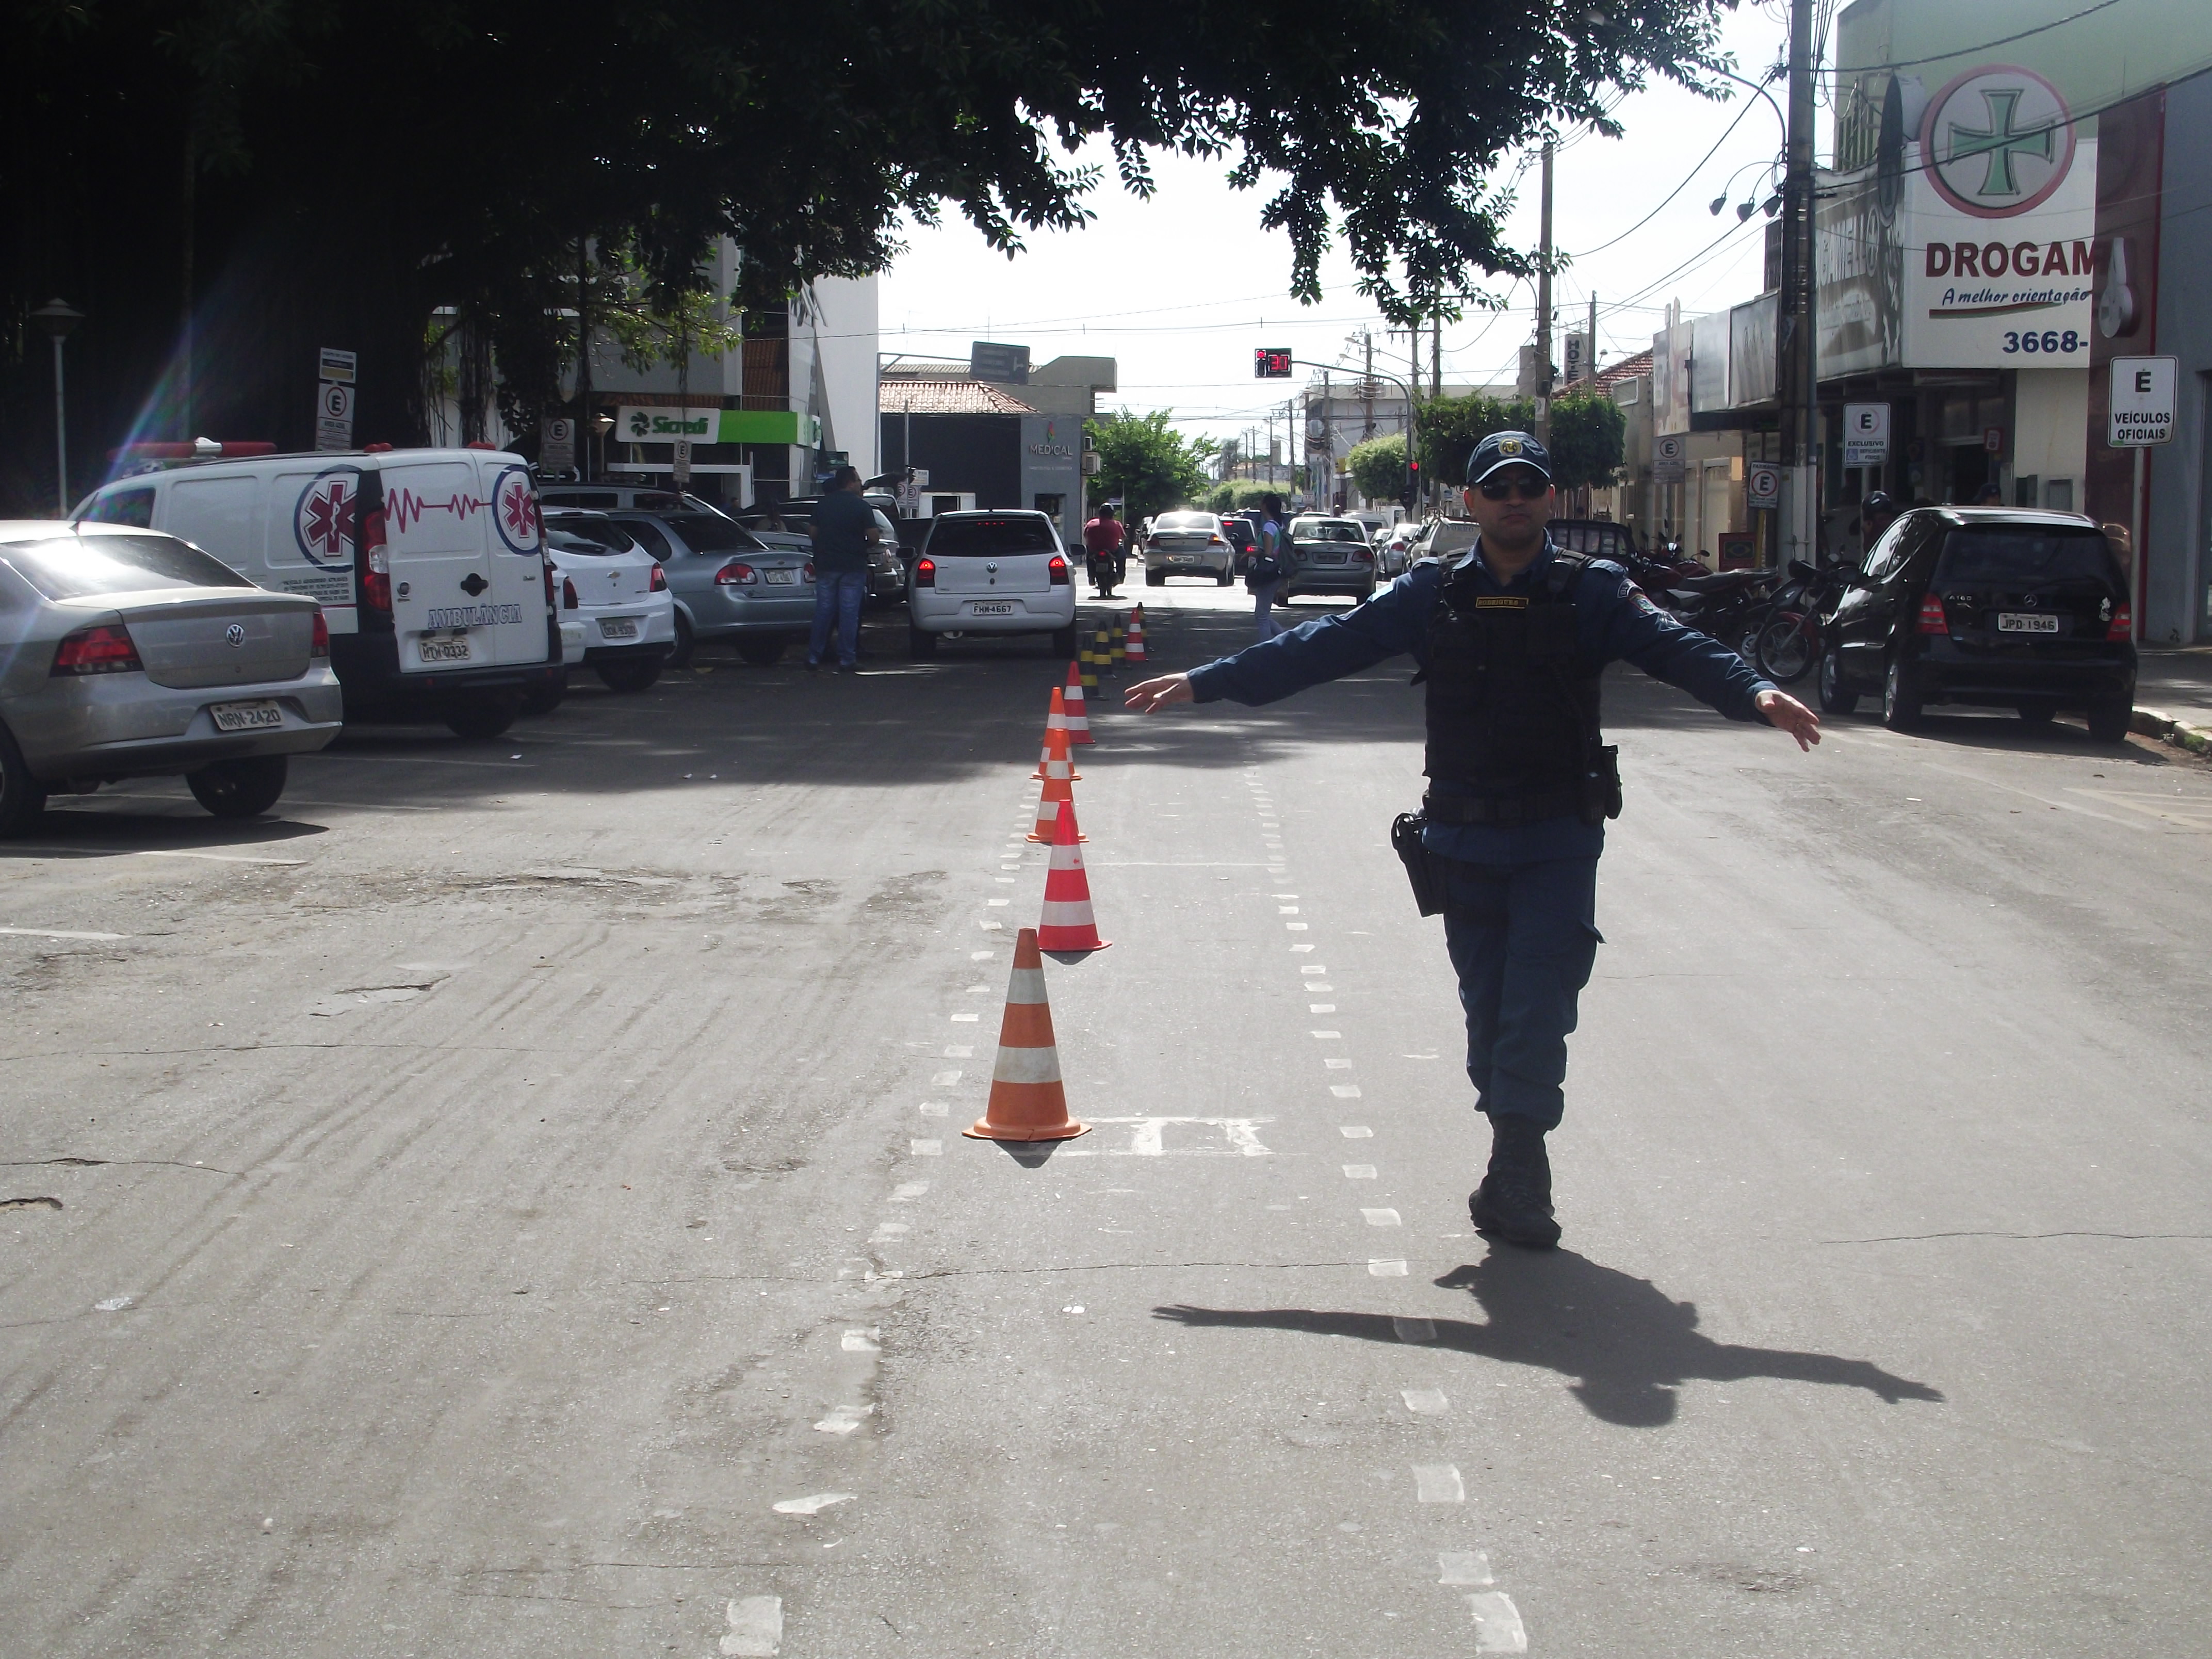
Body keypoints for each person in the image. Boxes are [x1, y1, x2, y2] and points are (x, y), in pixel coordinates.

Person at [1124, 431, 1821, 1249]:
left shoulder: (1594, 590)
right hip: (1463, 840)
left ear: (1550, 498)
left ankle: (1522, 1165)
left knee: (1538, 1005)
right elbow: (1322, 646)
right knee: (1489, 1009)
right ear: (1472, 502)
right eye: (1498, 488)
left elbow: (1682, 649)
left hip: (1558, 838)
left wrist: (1757, 691)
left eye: (1528, 486)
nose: (1513, 500)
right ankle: (1509, 1150)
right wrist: (1207, 682)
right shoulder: (1434, 592)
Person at [806, 465, 879, 673]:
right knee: (849, 613)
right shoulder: (861, 506)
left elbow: (812, 533)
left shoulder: (823, 505)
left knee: (824, 611)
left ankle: (813, 656)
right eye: (858, 480)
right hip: (853, 566)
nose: (860, 484)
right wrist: (860, 545)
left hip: (826, 565)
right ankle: (847, 658)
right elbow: (874, 537)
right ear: (850, 482)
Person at [1247, 493, 1288, 641]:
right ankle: (1286, 639)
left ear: (1265, 506)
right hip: (1276, 573)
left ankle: (1267, 647)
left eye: (1261, 503)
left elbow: (1268, 553)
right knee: (1263, 614)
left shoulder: (1269, 527)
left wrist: (1252, 552)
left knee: (1262, 616)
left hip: (1268, 573)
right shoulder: (1279, 525)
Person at [1083, 503, 1126, 598]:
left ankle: (1091, 577)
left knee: (1089, 557)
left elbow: (1085, 535)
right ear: (1112, 514)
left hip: (1094, 551)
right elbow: (1123, 537)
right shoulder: (1116, 524)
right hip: (1112, 551)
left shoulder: (1091, 523)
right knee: (1122, 555)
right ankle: (1121, 575)